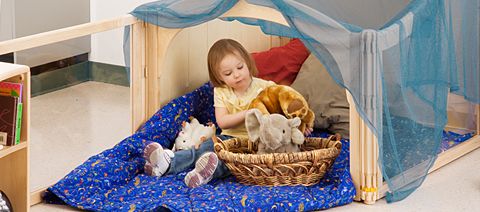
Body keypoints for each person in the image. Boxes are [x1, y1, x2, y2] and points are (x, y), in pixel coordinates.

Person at [143, 38, 277, 188]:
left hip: (257, 143)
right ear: (219, 77)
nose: (237, 75)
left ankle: (204, 173)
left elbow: (284, 111)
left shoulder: (267, 88)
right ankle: (167, 162)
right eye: (228, 73)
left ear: (247, 62)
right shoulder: (221, 91)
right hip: (228, 138)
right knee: (204, 148)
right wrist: (247, 113)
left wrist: (300, 124)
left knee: (233, 163)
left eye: (240, 67)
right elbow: (222, 122)